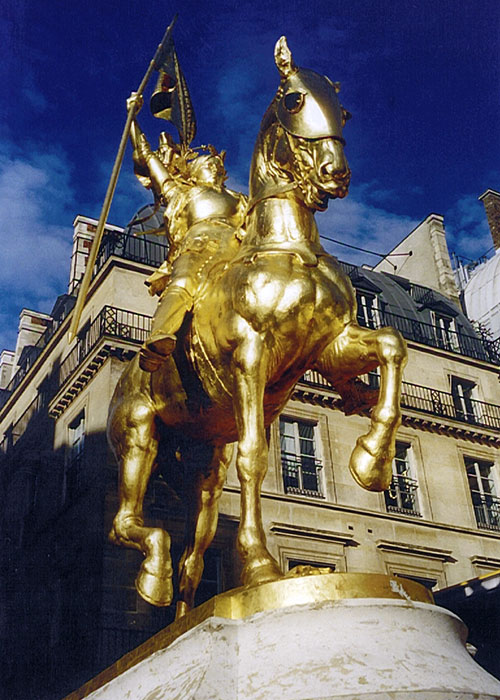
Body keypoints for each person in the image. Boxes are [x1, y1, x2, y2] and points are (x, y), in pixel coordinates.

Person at [127, 94, 247, 372]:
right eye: (208, 163)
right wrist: (132, 118)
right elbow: (147, 156)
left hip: (237, 247)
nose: (215, 164)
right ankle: (159, 338)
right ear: (195, 172)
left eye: (218, 163)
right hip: (199, 247)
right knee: (182, 285)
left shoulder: (240, 198)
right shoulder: (182, 192)